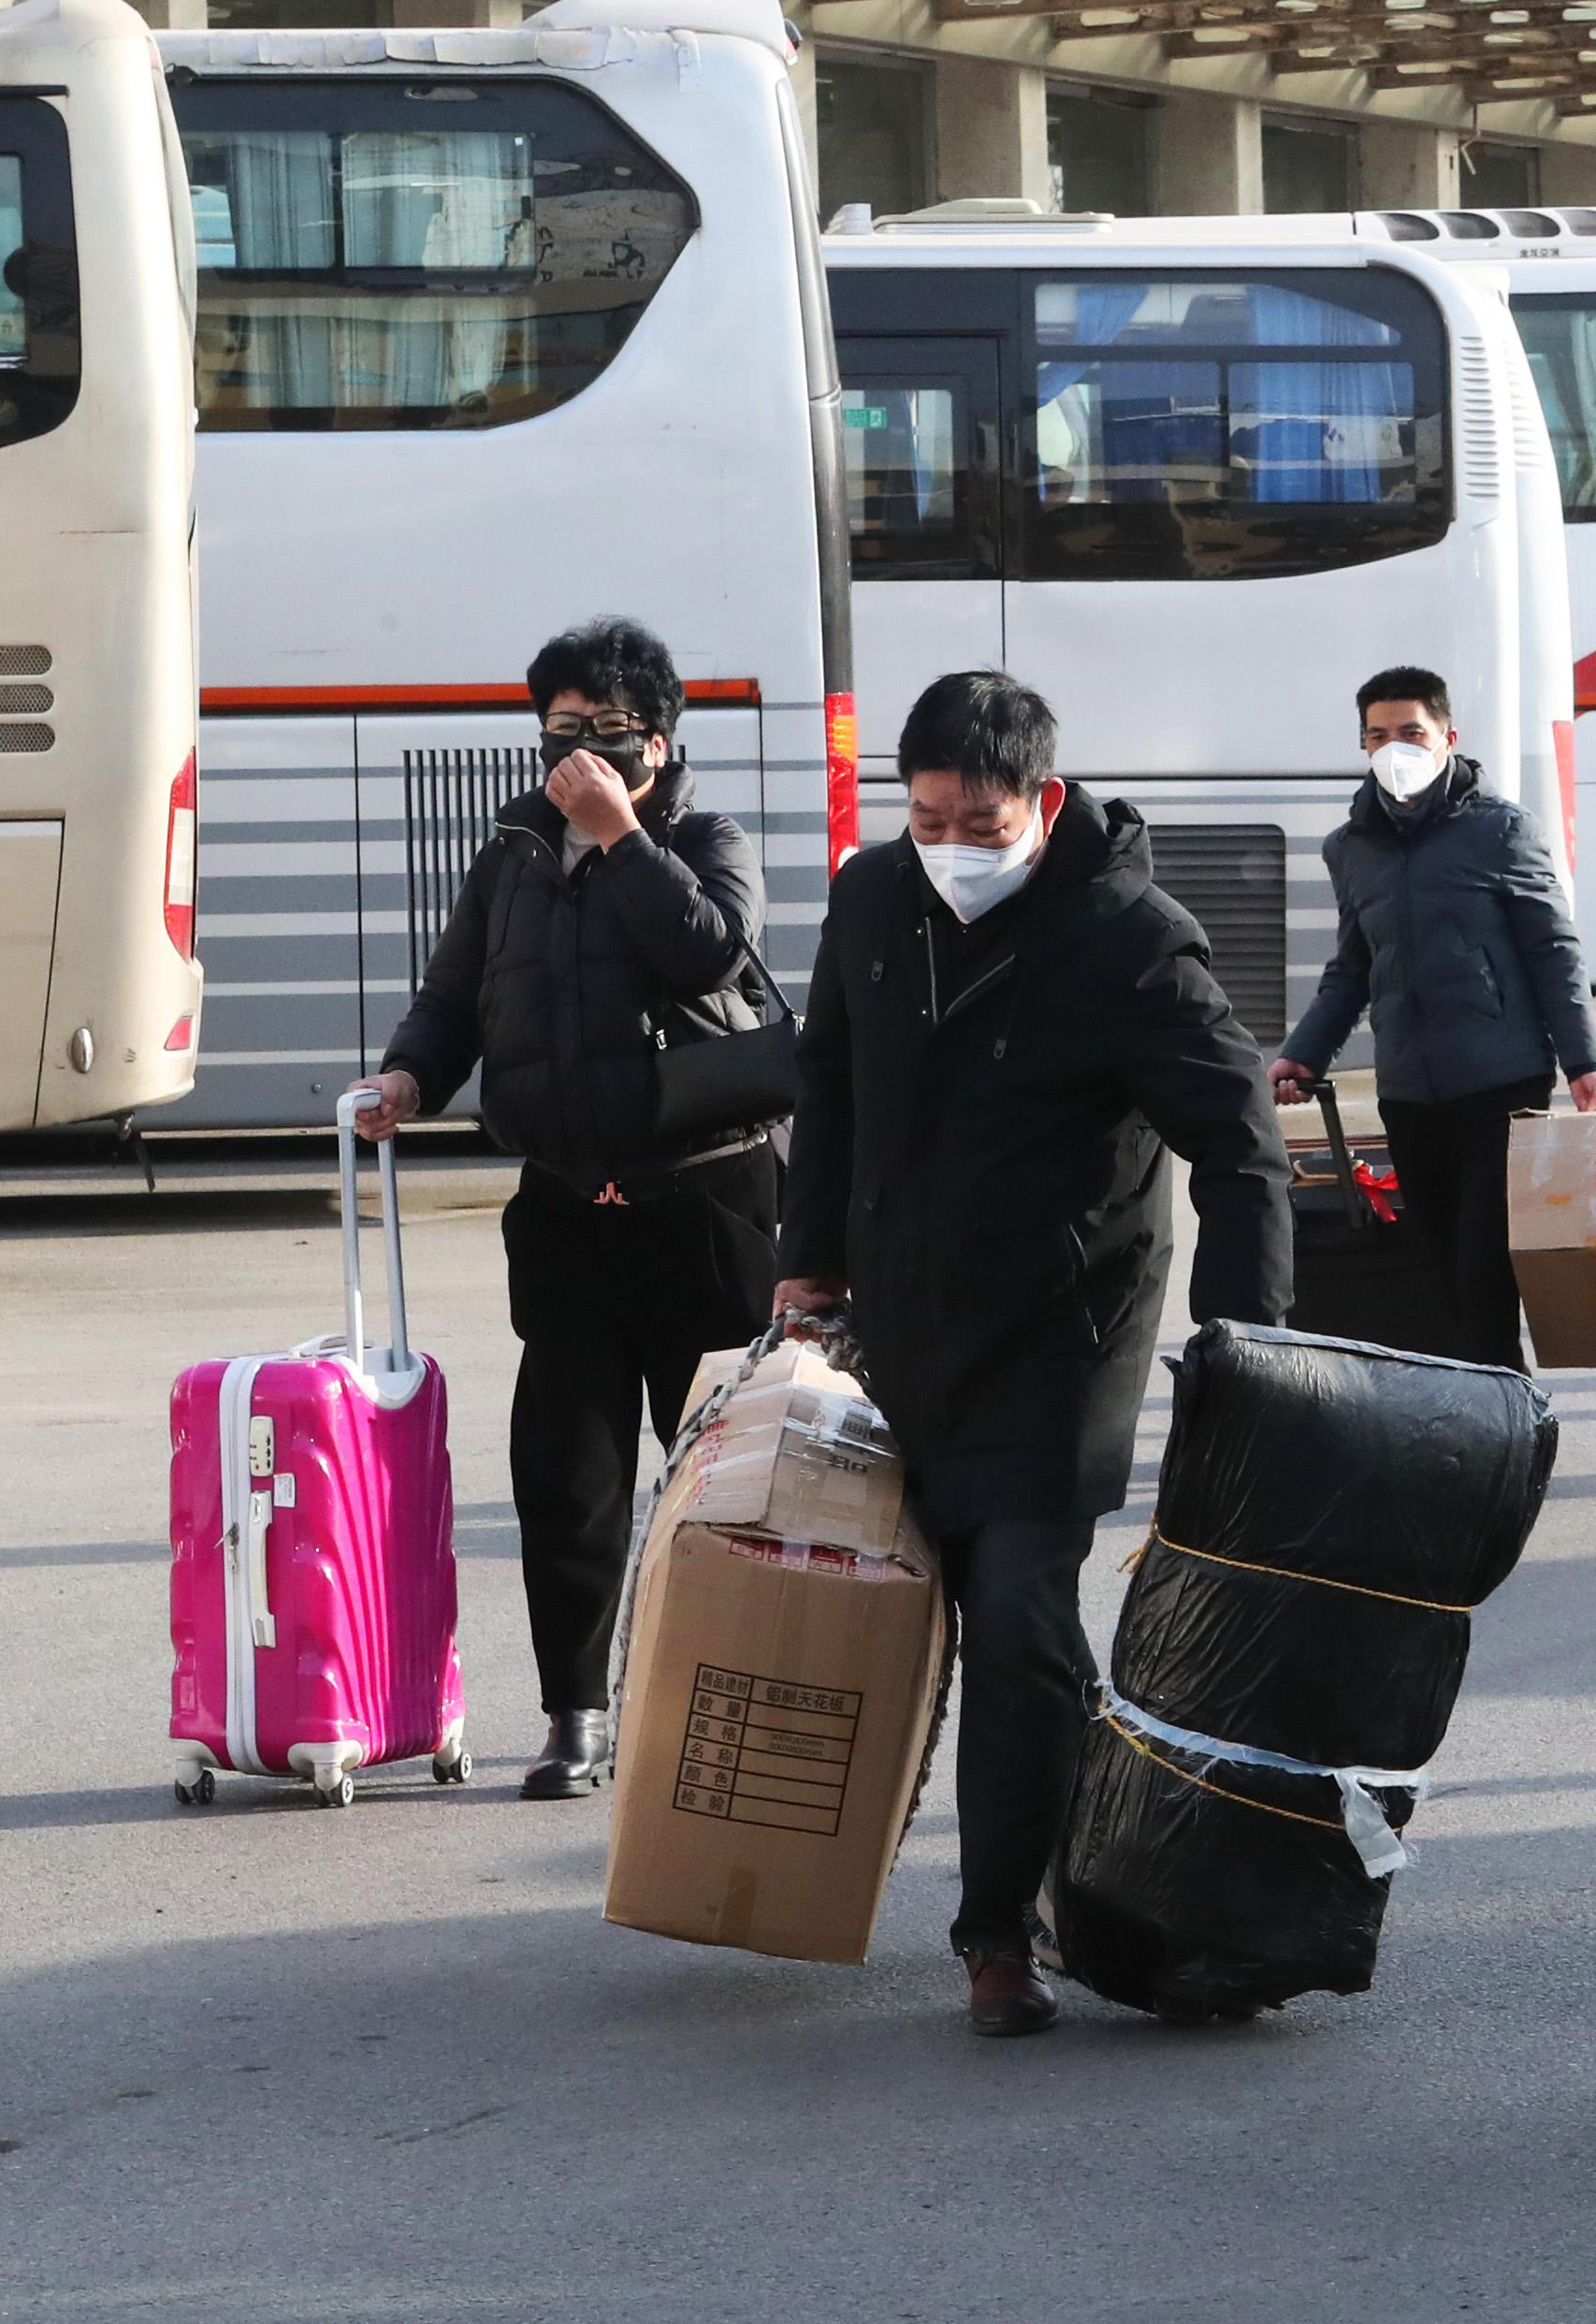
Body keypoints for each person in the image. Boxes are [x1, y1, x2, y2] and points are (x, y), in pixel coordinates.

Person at [774, 672, 1291, 2037]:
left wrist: (1246, 1353)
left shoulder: (1129, 936)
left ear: (1042, 804)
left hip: (1062, 1340)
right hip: (898, 1327)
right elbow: (826, 1077)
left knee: (1014, 1610)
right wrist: (804, 1261)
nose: (951, 843)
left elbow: (1242, 1146)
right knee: (886, 1602)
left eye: (979, 818)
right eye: (927, 814)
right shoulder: (872, 899)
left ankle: (999, 1928)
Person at [349, 618, 781, 1803]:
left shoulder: (705, 838)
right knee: (566, 1476)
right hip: (566, 1218)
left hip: (702, 1210)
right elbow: (453, 1000)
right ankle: (574, 1715)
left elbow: (711, 956)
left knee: (722, 1483)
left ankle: (732, 1700)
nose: (581, 754)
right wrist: (406, 1079)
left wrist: (624, 835)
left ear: (661, 738)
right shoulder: (512, 855)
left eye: (608, 732)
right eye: (562, 734)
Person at [1269, 667, 1596, 1369]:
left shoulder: (1501, 830)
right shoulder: (1350, 846)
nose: (1394, 747)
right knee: (1434, 1274)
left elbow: (1553, 951)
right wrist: (1305, 1053)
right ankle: (1461, 1425)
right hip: (1408, 1092)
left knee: (1484, 1270)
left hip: (1501, 1084)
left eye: (1411, 733)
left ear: (1447, 738)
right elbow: (1353, 966)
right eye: (1378, 735)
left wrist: (1585, 1064)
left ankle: (1507, 1427)